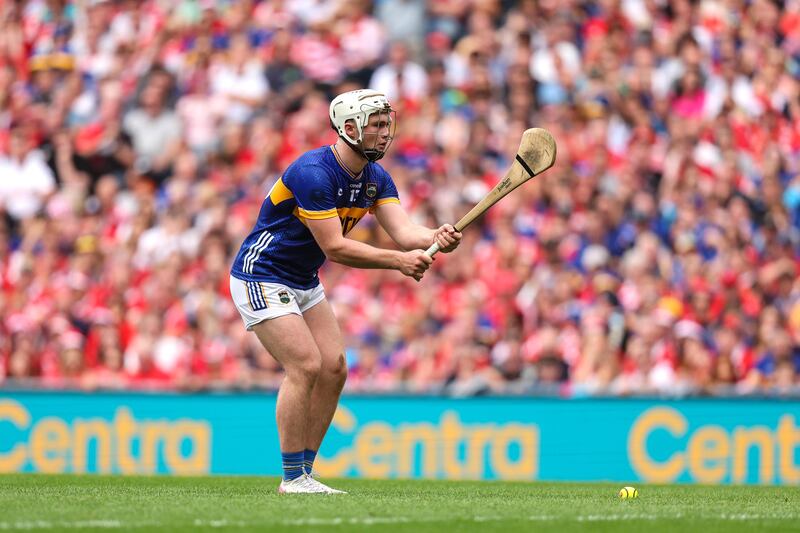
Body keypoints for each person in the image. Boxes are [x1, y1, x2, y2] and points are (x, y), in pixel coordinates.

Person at [229, 89, 462, 494]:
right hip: (261, 274)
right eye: (377, 125)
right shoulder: (313, 172)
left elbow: (405, 233)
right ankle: (291, 478)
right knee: (304, 365)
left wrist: (437, 235)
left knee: (334, 366)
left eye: (387, 124)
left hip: (302, 279)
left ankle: (305, 472)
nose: (385, 132)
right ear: (349, 127)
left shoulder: (376, 177)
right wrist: (398, 262)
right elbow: (335, 248)